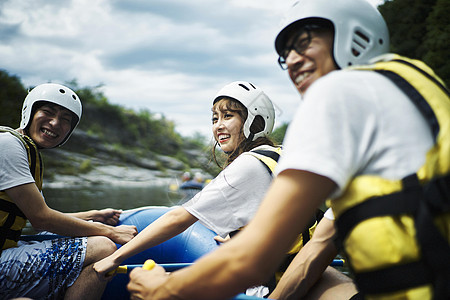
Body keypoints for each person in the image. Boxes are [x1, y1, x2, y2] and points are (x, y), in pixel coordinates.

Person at [125, 0, 450, 299]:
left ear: (357, 36)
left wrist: (164, 288)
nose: (291, 61)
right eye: (286, 54)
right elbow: (317, 248)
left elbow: (252, 261)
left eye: (304, 42)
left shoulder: (335, 94)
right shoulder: (417, 91)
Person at [95, 81, 318, 296]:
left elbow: (178, 218)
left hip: (265, 289)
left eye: (228, 116)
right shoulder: (280, 153)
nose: (218, 125)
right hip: (293, 273)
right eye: (215, 118)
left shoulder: (248, 165)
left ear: (255, 122)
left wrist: (115, 258)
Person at [0, 83, 138, 300]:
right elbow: (41, 219)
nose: (55, 123)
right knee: (103, 246)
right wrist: (110, 231)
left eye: (65, 119)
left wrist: (92, 215)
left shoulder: (23, 150)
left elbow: (33, 216)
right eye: (47, 112)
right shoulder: (8, 145)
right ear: (29, 112)